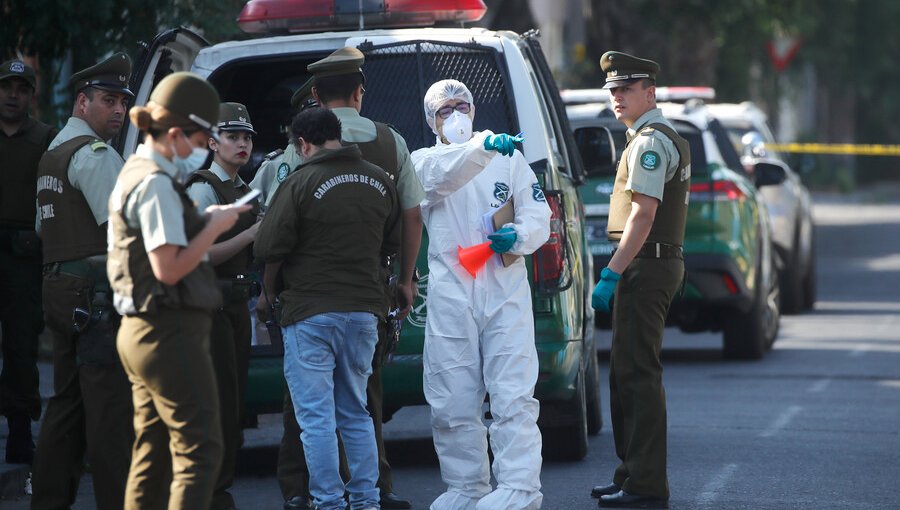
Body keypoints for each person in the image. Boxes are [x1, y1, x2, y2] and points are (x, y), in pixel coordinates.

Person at [256, 47, 423, 510]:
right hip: (369, 294)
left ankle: (311, 495)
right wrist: (405, 280)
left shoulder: (298, 152)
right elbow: (411, 219)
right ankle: (372, 495)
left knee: (310, 412)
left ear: (314, 97)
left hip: (307, 299)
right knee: (361, 406)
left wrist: (269, 292)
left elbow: (274, 233)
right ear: (358, 92)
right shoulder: (391, 143)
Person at [107, 71, 248, 510]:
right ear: (173, 133)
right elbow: (169, 268)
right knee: (200, 449)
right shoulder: (156, 183)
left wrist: (207, 223)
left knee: (153, 453)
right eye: (202, 134)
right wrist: (218, 227)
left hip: (143, 327)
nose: (206, 144)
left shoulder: (137, 170)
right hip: (167, 329)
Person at [411, 79, 550, 510]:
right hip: (452, 292)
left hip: (504, 289)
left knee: (512, 393)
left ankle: (520, 488)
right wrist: (487, 145)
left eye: (461, 105)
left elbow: (539, 213)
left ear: (474, 109)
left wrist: (520, 234)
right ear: (431, 121)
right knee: (451, 395)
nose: (454, 115)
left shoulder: (509, 159)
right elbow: (447, 176)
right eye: (444, 109)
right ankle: (465, 487)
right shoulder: (422, 162)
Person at [31, 52, 135, 510]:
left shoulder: (52, 155)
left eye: (122, 102)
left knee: (66, 409)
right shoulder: (96, 156)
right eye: (108, 100)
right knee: (112, 418)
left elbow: (43, 229)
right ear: (81, 103)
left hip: (60, 292)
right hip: (98, 302)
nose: (118, 111)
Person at [588, 51, 690, 510]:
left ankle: (646, 483)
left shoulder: (650, 141)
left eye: (625, 89)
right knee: (627, 374)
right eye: (612, 90)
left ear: (649, 92)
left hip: (645, 264)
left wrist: (612, 271)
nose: (616, 97)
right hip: (645, 263)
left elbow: (643, 214)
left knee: (639, 375)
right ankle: (631, 475)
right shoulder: (645, 136)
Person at [185, 101, 261, 510]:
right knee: (216, 403)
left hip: (234, 304)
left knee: (232, 402)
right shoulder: (203, 187)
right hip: (210, 305)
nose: (242, 143)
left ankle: (218, 489)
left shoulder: (240, 188)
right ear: (213, 142)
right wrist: (252, 237)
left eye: (247, 136)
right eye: (232, 136)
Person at [0, 58, 57, 464]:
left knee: (21, 346)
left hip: (23, 253)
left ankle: (20, 431)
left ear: (32, 97)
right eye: (6, 87)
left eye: (21, 88)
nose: (12, 95)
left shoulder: (45, 138)